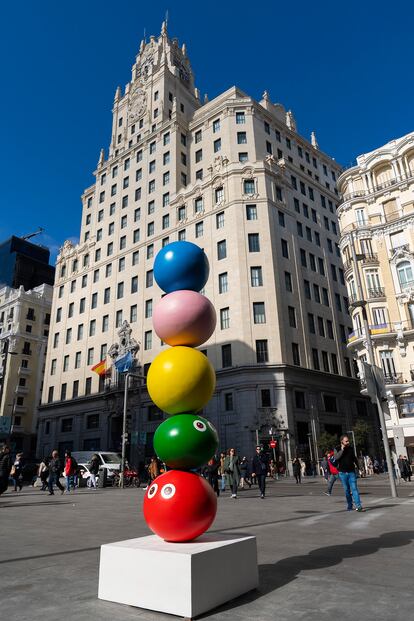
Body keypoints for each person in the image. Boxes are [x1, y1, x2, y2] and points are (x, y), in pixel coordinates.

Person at [334, 435, 365, 512]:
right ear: (342, 441)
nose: (348, 442)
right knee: (347, 490)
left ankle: (359, 506)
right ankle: (350, 505)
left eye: (348, 441)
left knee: (354, 489)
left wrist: (360, 468)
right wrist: (342, 450)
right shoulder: (337, 448)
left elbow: (354, 459)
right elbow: (336, 457)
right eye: (346, 441)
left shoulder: (350, 448)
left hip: (351, 472)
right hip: (342, 473)